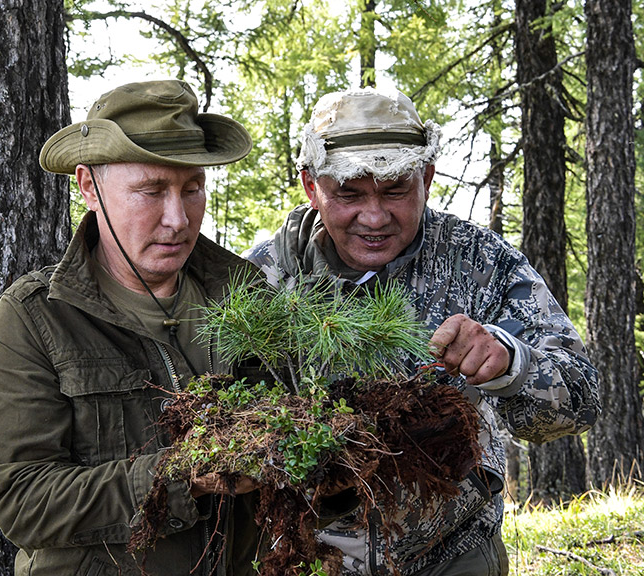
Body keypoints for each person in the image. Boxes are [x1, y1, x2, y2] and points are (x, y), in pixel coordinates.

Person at [246, 88, 601, 576]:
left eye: (395, 190)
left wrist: (511, 365)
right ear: (311, 187)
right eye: (349, 193)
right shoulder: (262, 280)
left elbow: (581, 401)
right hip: (307, 557)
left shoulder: (479, 262)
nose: (374, 217)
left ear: (427, 179)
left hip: (452, 553)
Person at [0, 80, 268, 575]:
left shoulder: (243, 291)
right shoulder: (37, 317)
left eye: (192, 188)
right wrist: (178, 477)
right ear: (90, 187)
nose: (177, 218)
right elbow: (22, 501)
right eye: (151, 191)